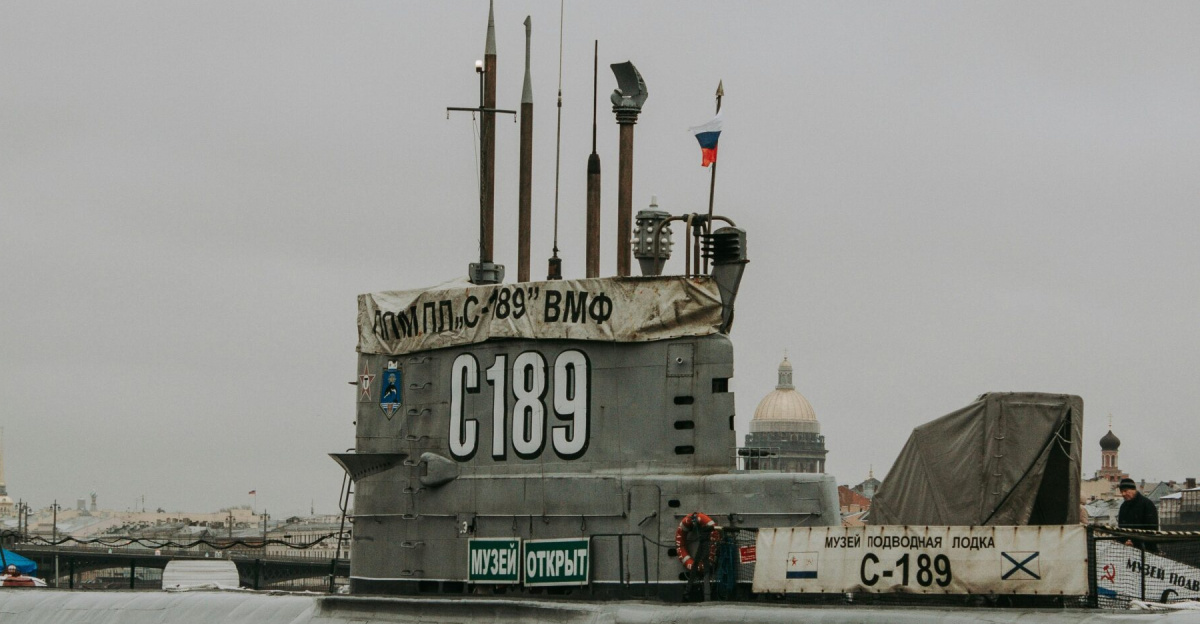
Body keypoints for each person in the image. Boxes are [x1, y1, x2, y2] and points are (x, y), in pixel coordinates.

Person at [1117, 478, 1158, 551]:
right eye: (1121, 492)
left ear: (1133, 490)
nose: (1123, 494)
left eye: (1125, 491)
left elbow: (1152, 529)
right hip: (1127, 549)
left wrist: (1134, 542)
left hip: (1146, 550)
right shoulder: (1123, 507)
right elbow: (1121, 528)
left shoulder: (1147, 505)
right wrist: (1125, 540)